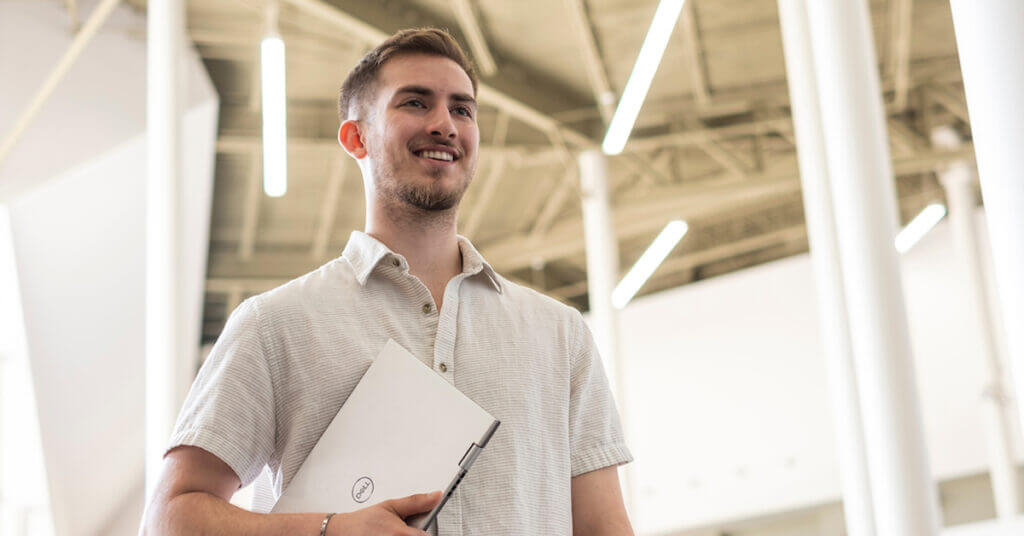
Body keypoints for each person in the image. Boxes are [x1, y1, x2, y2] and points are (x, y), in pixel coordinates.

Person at [141, 27, 633, 536]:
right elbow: (168, 520)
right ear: (357, 137)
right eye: (416, 103)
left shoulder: (560, 335)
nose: (445, 123)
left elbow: (605, 528)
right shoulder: (276, 325)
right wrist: (329, 530)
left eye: (462, 109)